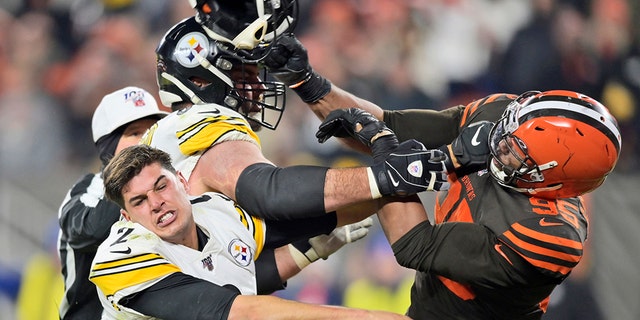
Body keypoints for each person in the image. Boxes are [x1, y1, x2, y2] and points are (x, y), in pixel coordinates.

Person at [313, 91, 621, 319]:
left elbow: (414, 244)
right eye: (507, 130)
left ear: (553, 180)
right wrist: (307, 83)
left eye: (516, 150)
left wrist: (387, 146)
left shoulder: (547, 236)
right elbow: (392, 123)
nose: (498, 142)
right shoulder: (504, 118)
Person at [143, 16, 447, 231]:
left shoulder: (173, 134)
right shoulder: (203, 120)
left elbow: (244, 252)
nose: (260, 88)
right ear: (200, 79)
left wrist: (372, 195)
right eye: (247, 76)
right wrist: (381, 178)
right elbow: (269, 192)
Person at [90, 144, 410, 320]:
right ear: (126, 218)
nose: (157, 203)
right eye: (140, 201)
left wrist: (390, 184)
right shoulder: (120, 259)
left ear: (183, 182)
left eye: (161, 186)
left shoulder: (216, 212)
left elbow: (317, 215)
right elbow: (233, 310)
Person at [57, 86, 169, 319]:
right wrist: (128, 181)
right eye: (135, 132)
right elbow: (91, 230)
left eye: (152, 130)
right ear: (109, 146)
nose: (147, 140)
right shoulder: (88, 190)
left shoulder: (171, 188)